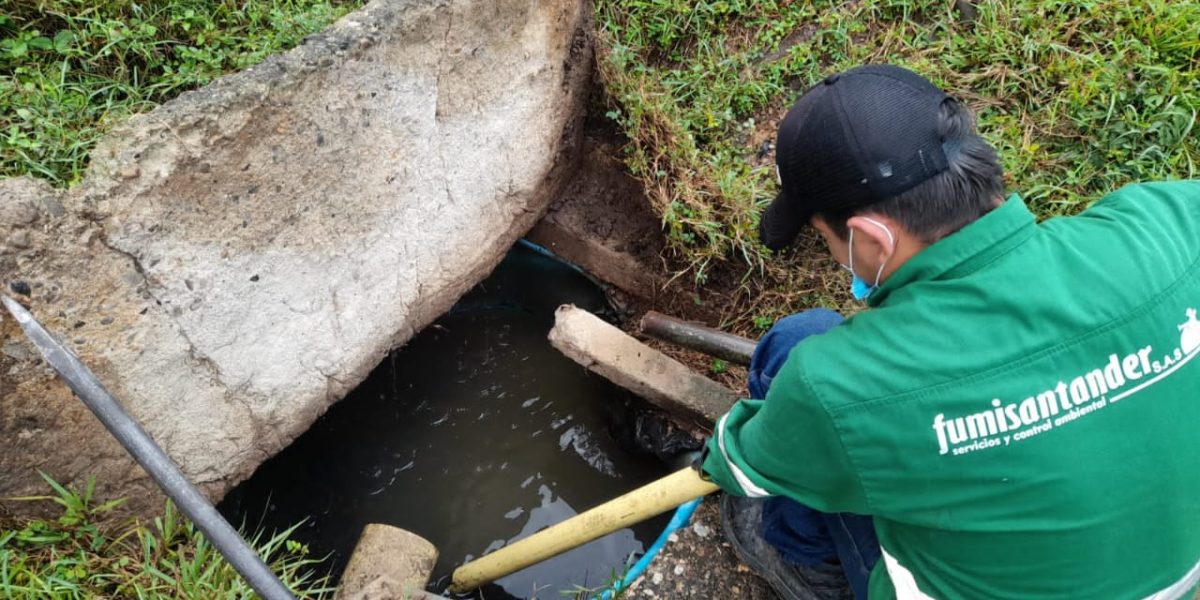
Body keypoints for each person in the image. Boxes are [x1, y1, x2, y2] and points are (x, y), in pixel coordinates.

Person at [697, 64, 1200, 599]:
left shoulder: (834, 384)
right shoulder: (1171, 224)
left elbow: (743, 466)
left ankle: (813, 566)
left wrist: (727, 453)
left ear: (872, 238)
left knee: (797, 338)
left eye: (826, 238)